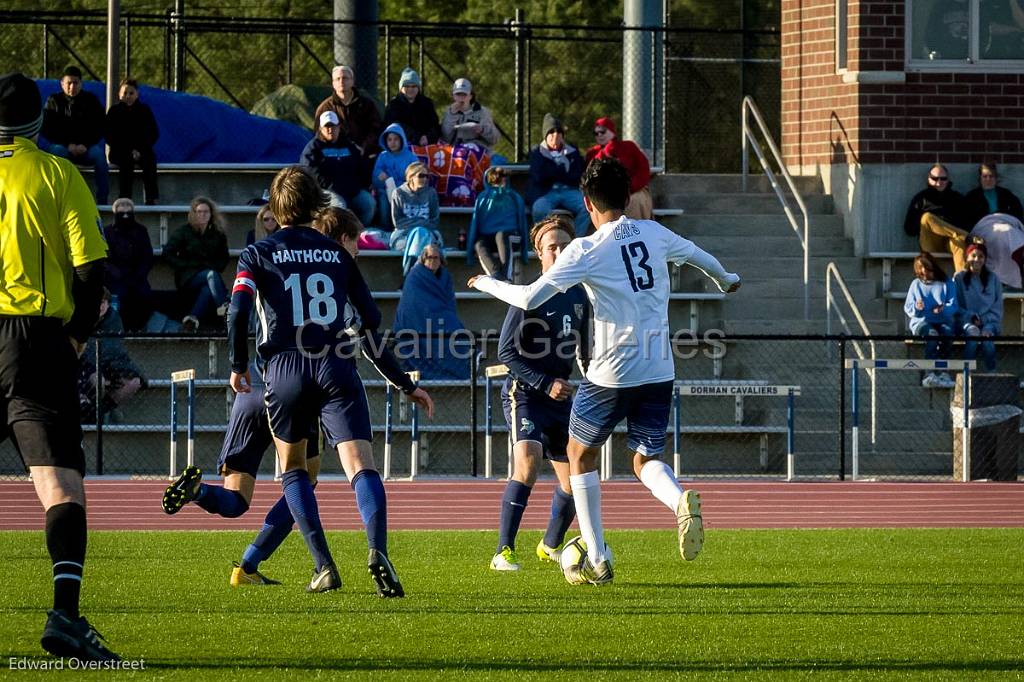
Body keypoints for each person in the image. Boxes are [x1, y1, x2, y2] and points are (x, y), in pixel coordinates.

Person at [471, 158, 741, 585]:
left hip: (613, 370)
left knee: (579, 455)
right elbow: (696, 256)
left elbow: (526, 298)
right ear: (629, 196)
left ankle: (596, 557)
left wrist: (485, 283)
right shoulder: (653, 232)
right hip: (660, 367)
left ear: (587, 204)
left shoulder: (587, 248)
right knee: (643, 458)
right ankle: (677, 501)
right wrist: (726, 278)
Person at [224, 167, 433, 595]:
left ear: (276, 207)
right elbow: (370, 324)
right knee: (361, 467)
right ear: (317, 202)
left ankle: (323, 565)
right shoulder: (337, 253)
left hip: (283, 368)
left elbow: (238, 312)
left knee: (295, 469)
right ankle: (378, 551)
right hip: (336, 362)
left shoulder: (257, 253)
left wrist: (238, 362)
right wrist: (404, 383)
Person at [0, 72, 118, 660]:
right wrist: (72, 341)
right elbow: (92, 268)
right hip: (34, 337)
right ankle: (65, 617)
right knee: (60, 486)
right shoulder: (55, 172)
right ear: (37, 122)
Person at [490, 214, 589, 571]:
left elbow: (587, 351)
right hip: (526, 394)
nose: (559, 252)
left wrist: (591, 382)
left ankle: (550, 545)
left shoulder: (581, 296)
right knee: (528, 463)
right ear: (539, 254)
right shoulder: (528, 296)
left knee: (577, 478)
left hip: (561, 400)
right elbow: (505, 352)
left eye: (565, 246)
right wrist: (546, 383)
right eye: (552, 248)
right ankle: (503, 551)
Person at [393, 244, 469, 380]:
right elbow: (413, 303)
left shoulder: (445, 277)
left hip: (441, 315)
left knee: (456, 329)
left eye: (436, 257)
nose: (433, 260)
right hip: (419, 318)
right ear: (423, 258)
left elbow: (449, 300)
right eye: (429, 257)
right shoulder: (415, 276)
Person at [41, 65, 109, 204]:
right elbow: (48, 128)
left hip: (86, 148)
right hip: (63, 147)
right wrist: (68, 144)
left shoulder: (91, 100)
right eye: (69, 83)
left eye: (75, 83)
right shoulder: (53, 101)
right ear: (62, 84)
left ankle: (102, 200)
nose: (72, 87)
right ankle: (57, 198)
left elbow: (100, 126)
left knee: (100, 157)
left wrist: (85, 144)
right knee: (56, 153)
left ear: (81, 83)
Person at [162, 196, 230, 332]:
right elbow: (167, 253)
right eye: (199, 211)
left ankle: (191, 320)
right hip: (188, 277)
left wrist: (217, 267)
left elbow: (224, 256)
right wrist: (184, 265)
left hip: (210, 274)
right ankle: (225, 310)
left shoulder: (217, 234)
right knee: (211, 276)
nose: (202, 215)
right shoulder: (184, 232)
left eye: (206, 212)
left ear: (211, 214)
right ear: (193, 213)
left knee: (207, 288)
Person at [79, 291, 146, 423]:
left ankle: (102, 410)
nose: (100, 307)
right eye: (95, 303)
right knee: (98, 380)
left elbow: (114, 349)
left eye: (103, 303)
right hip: (84, 365)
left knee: (133, 383)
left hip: (111, 363)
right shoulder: (79, 318)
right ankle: (91, 414)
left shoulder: (113, 319)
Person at [300, 111, 375, 227]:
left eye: (333, 126)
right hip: (327, 191)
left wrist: (361, 185)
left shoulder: (349, 146)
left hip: (352, 190)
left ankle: (359, 232)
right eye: (327, 127)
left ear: (339, 127)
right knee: (339, 207)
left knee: (369, 203)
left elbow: (361, 167)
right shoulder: (313, 148)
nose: (330, 130)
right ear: (321, 128)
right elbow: (310, 172)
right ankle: (339, 238)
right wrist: (331, 187)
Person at [903, 163, 978, 273]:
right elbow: (908, 229)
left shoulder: (956, 198)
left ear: (948, 180)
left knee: (958, 241)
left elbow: (968, 222)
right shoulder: (921, 199)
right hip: (930, 241)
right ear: (928, 179)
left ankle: (962, 283)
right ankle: (965, 236)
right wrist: (930, 224)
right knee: (926, 217)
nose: (939, 182)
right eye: (935, 178)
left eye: (943, 179)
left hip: (950, 242)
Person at [527, 113, 588, 234]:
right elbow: (539, 176)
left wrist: (553, 172)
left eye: (559, 131)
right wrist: (561, 171)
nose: (555, 135)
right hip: (546, 192)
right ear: (545, 135)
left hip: (569, 190)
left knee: (587, 207)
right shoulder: (537, 152)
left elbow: (577, 174)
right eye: (551, 132)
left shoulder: (572, 151)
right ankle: (545, 240)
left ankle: (574, 241)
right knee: (539, 209)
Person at [905, 251, 959, 388]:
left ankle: (943, 370)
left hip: (942, 321)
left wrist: (943, 309)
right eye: (920, 270)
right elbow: (908, 308)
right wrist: (917, 307)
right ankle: (929, 372)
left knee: (947, 332)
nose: (924, 273)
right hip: (921, 322)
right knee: (932, 335)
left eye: (927, 268)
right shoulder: (915, 284)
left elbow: (953, 305)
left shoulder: (947, 283)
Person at [466, 166, 529, 281]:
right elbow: (475, 224)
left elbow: (522, 224)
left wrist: (524, 252)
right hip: (489, 237)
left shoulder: (514, 197)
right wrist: (470, 253)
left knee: (502, 236)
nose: (500, 183)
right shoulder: (482, 198)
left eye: (502, 179)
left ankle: (506, 276)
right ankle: (496, 275)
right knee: (480, 244)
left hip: (511, 236)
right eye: (496, 180)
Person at [105, 78, 159, 205]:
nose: (128, 96)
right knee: (126, 162)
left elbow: (153, 133)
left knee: (149, 160)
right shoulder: (114, 112)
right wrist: (129, 150)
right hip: (120, 151)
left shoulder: (144, 111)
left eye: (131, 93)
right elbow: (110, 136)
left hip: (142, 151)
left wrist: (139, 150)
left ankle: (151, 197)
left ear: (137, 94)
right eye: (124, 93)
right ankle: (125, 198)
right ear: (119, 94)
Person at [586, 116, 652, 220]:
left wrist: (628, 188)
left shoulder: (628, 146)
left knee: (634, 201)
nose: (599, 135)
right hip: (603, 192)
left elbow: (643, 170)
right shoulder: (592, 153)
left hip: (633, 189)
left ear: (612, 131)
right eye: (596, 133)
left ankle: (636, 233)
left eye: (602, 131)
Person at [103, 197, 154, 331]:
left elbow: (147, 256)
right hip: (116, 277)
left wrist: (139, 274)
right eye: (121, 214)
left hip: (137, 276)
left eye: (128, 213)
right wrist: (115, 272)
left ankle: (139, 328)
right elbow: (104, 258)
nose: (125, 216)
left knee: (144, 295)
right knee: (117, 296)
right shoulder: (107, 232)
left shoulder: (141, 231)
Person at [313, 65, 382, 158]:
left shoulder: (367, 104)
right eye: (338, 79)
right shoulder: (325, 108)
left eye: (345, 78)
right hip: (335, 156)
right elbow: (319, 135)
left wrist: (364, 148)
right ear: (333, 83)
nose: (341, 81)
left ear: (352, 81)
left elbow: (376, 129)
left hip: (365, 155)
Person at [955, 243, 1002, 371]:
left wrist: (985, 321)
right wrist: (970, 317)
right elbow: (956, 306)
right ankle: (966, 375)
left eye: (981, 256)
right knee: (973, 336)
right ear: (967, 257)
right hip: (966, 321)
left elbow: (997, 308)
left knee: (987, 341)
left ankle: (992, 374)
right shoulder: (959, 278)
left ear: (985, 259)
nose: (977, 259)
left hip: (989, 322)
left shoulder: (993, 279)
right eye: (973, 255)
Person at [371, 123, 417, 230]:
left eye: (396, 139)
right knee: (383, 199)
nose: (392, 142)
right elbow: (375, 175)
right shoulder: (383, 156)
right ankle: (385, 227)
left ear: (402, 140)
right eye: (389, 139)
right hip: (386, 192)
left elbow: (416, 174)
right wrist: (379, 176)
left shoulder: (410, 157)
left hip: (404, 192)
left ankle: (402, 228)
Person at [390, 161, 440, 253]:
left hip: (427, 232)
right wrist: (419, 225)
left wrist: (419, 229)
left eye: (426, 176)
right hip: (403, 234)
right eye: (421, 175)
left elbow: (434, 220)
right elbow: (398, 222)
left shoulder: (431, 193)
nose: (424, 179)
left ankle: (411, 267)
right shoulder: (398, 193)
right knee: (418, 244)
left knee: (421, 241)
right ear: (411, 177)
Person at [383, 68, 441, 147]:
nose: (410, 89)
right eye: (407, 86)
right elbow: (394, 126)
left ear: (418, 88)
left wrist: (428, 137)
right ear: (401, 88)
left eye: (414, 86)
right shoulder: (394, 105)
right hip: (401, 146)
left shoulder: (427, 104)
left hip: (426, 146)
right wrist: (416, 138)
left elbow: (435, 126)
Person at [441, 78, 499, 152]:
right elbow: (446, 137)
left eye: (464, 94)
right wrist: (452, 115)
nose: (461, 98)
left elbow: (494, 139)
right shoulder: (449, 111)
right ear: (453, 96)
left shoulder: (482, 112)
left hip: (478, 153)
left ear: (470, 96)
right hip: (455, 153)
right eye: (458, 94)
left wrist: (482, 130)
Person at [963, 162, 1024, 228]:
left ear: (996, 179)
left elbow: (1018, 212)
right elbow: (967, 218)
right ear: (980, 179)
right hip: (983, 228)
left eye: (991, 176)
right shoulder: (972, 197)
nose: (988, 179)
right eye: (985, 176)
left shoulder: (1006, 194)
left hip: (1006, 225)